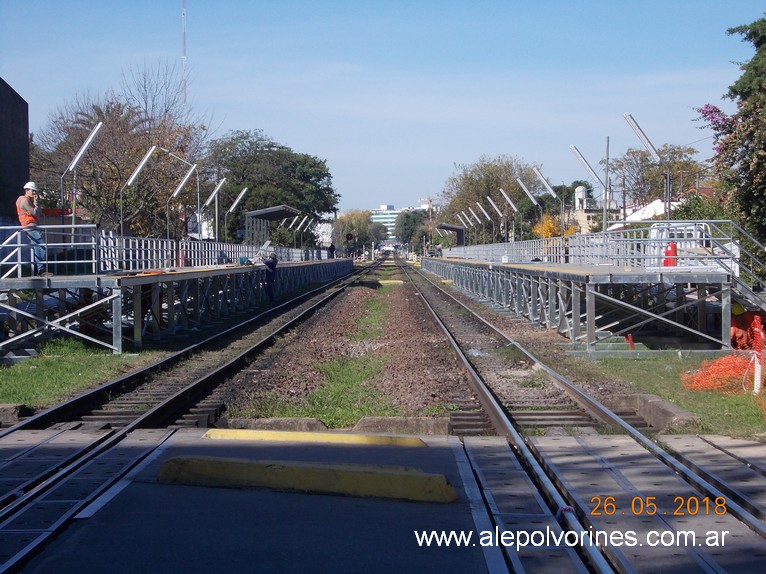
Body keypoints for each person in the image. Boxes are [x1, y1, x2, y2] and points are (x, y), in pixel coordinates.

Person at [16, 181, 50, 277]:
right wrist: (36, 202)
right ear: (27, 190)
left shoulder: (26, 200)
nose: (34, 193)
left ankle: (40, 270)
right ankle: (42, 269)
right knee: (43, 246)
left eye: (35, 191)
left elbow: (38, 212)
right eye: (33, 191)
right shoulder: (24, 201)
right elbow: (35, 212)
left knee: (37, 248)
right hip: (30, 226)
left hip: (31, 226)